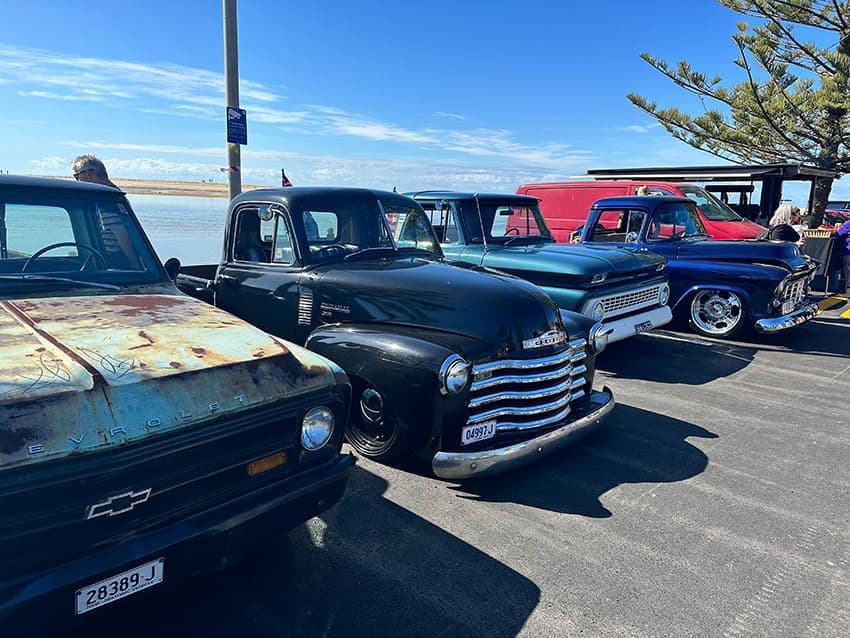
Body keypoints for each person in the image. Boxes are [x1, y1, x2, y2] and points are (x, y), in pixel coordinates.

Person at [836, 218, 850, 296]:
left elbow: (838, 234)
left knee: (848, 271)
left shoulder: (848, 224)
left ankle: (848, 291)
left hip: (848, 252)